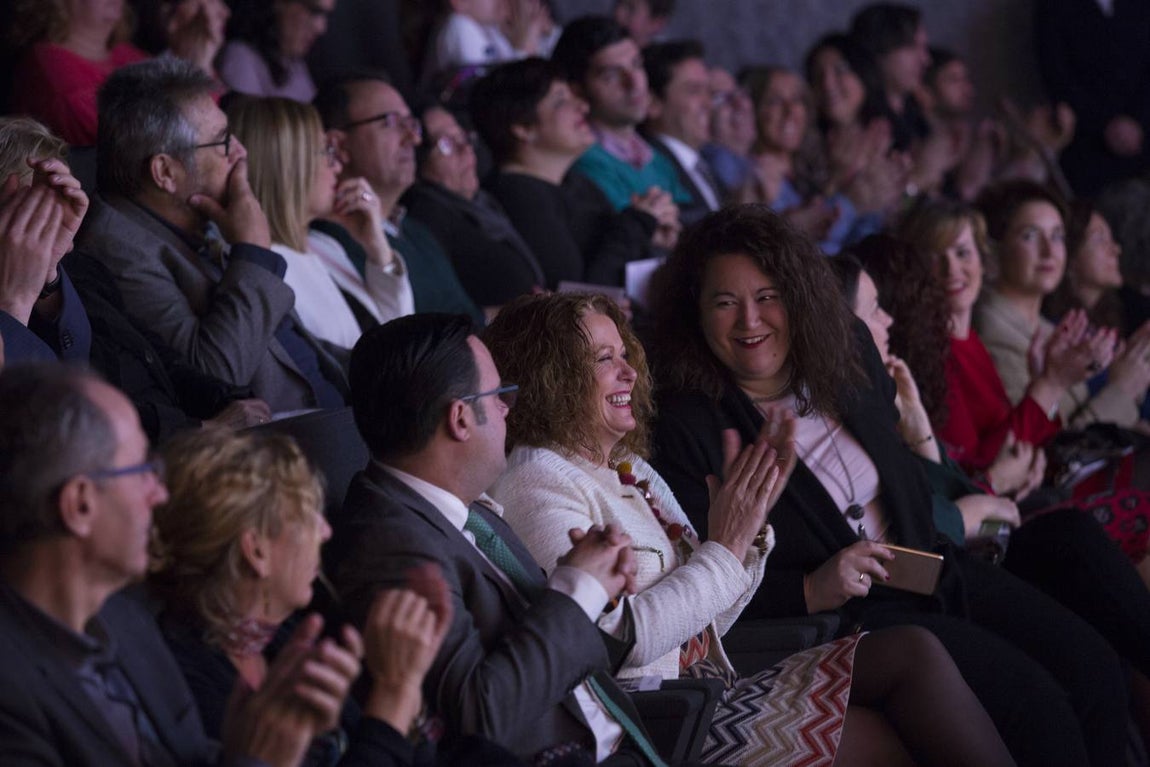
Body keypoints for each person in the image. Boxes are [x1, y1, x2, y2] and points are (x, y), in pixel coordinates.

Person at [648, 203, 1128, 766]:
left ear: (798, 294)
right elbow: (706, 587)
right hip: (857, 617)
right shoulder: (689, 425)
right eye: (725, 303)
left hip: (932, 565)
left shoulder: (845, 345)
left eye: (767, 296)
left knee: (1094, 668)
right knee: (1038, 710)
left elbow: (901, 468)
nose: (750, 321)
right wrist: (811, 586)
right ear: (696, 314)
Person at [484, 292, 1016, 767]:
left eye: (624, 354)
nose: (628, 372)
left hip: (711, 688)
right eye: (603, 360)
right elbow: (611, 647)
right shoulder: (537, 481)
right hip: (659, 722)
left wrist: (744, 537)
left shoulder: (628, 466)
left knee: (913, 649)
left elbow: (708, 618)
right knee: (885, 741)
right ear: (551, 377)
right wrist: (723, 547)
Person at [328, 312, 669, 764]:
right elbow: (480, 717)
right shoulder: (389, 547)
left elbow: (542, 649)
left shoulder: (459, 509)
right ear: (461, 418)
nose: (509, 408)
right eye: (499, 394)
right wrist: (577, 591)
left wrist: (594, 587)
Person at [0, 364, 359, 765]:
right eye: (142, 471)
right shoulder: (11, 699)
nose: (159, 493)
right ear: (80, 504)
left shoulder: (125, 619)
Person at [151, 426, 517, 766]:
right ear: (257, 551)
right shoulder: (187, 684)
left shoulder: (289, 634)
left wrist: (408, 695)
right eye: (307, 517)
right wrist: (394, 691)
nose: (325, 532)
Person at [78, 57, 349, 413]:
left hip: (335, 410)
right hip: (290, 442)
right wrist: (251, 251)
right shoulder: (117, 250)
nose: (241, 152)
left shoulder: (198, 219)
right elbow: (216, 374)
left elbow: (295, 347)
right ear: (165, 172)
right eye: (223, 143)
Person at [229, 95, 412, 351]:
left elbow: (404, 339)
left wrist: (377, 248)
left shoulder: (324, 244)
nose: (338, 165)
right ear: (289, 166)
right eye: (327, 151)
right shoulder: (267, 269)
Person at [472, 57, 664, 289]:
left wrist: (652, 236)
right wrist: (639, 222)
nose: (582, 106)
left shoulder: (577, 183)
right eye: (561, 101)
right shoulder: (517, 196)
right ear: (523, 128)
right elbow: (578, 295)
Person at [972, 179, 1147, 431]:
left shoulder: (1045, 327)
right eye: (1030, 235)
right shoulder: (992, 332)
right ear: (996, 248)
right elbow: (1047, 447)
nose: (1049, 250)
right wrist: (1121, 390)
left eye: (1057, 236)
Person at [313, 72, 483, 324]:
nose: (413, 138)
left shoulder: (417, 231)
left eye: (411, 124)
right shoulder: (327, 244)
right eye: (391, 122)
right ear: (338, 146)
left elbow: (472, 320)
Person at [9, 0, 228, 146]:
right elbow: (137, 149)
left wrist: (190, 54)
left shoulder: (126, 54)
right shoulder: (54, 73)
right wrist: (196, 69)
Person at [553, 15, 689, 236]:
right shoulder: (581, 163)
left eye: (636, 64)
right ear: (576, 90)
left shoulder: (656, 156)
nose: (634, 83)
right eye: (612, 75)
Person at [402, 104, 545, 314]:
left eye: (463, 137)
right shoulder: (426, 217)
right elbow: (439, 307)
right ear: (416, 158)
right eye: (447, 143)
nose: (465, 148)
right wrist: (504, 316)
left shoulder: (484, 203)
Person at [1034, 0, 1150, 197]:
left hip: (1142, 140)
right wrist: (1105, 125)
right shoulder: (1053, 7)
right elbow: (1057, 77)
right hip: (1087, 148)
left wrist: (1139, 121)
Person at [0, 117, 91, 365]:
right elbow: (31, 398)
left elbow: (77, 361)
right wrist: (12, 303)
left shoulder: (80, 272)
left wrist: (46, 276)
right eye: (35, 215)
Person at [641, 40, 721, 222]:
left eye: (708, 91)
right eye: (694, 91)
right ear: (653, 103)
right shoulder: (649, 168)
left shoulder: (706, 168)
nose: (708, 103)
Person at [217, 0, 334, 101]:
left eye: (326, 15)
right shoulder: (240, 57)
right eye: (313, 11)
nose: (321, 27)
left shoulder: (296, 65)